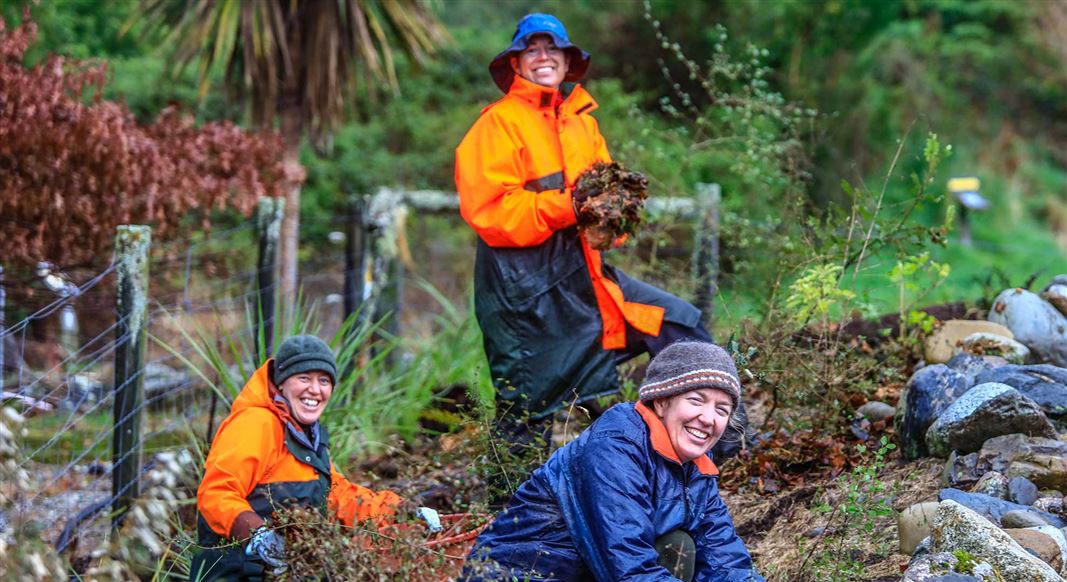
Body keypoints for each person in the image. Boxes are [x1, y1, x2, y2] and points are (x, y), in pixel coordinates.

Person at [455, 14, 731, 453]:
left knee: (680, 324)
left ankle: (718, 450)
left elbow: (607, 205)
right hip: (523, 294)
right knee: (525, 408)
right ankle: (510, 515)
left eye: (552, 49)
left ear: (567, 60)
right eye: (532, 49)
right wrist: (570, 205)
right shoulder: (498, 124)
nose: (543, 57)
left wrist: (614, 218)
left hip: (586, 278)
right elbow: (490, 212)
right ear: (516, 63)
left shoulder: (583, 121)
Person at [459, 341, 764, 582]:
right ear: (661, 401)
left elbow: (723, 553)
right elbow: (628, 566)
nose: (708, 418)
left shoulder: (695, 462)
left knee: (678, 544)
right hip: (520, 575)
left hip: (590, 573)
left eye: (722, 410)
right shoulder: (616, 446)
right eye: (696, 401)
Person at [190, 335, 439, 580]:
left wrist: (402, 510)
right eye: (303, 378)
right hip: (236, 572)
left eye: (324, 380)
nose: (315, 389)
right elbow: (216, 493)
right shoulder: (256, 424)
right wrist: (259, 536)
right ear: (281, 383)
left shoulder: (305, 433)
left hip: (285, 571)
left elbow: (337, 495)